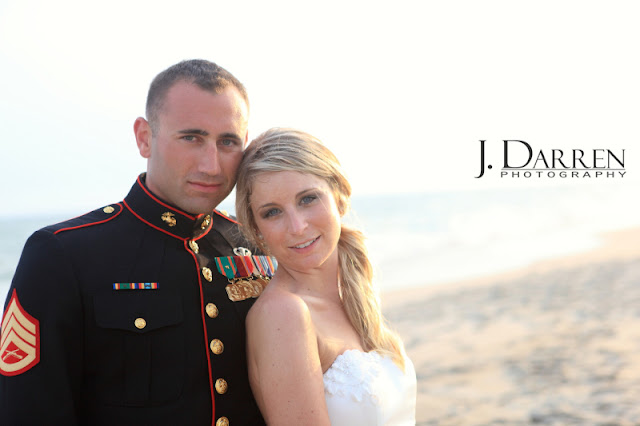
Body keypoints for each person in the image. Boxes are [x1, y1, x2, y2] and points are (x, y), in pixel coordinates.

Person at [0, 60, 266, 425]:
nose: (212, 165)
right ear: (144, 137)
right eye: (191, 138)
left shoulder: (254, 245)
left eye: (228, 142)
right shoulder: (62, 254)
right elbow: (28, 410)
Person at [235, 128, 417, 425]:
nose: (297, 226)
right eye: (272, 212)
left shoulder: (353, 289)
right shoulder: (284, 314)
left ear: (339, 196)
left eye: (307, 199)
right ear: (257, 230)